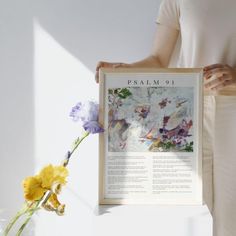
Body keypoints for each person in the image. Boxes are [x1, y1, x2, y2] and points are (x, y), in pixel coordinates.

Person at [95, 0, 236, 235]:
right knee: (190, 211)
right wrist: (123, 70)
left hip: (233, 113)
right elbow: (159, 59)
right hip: (186, 113)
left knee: (231, 215)